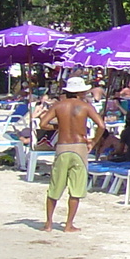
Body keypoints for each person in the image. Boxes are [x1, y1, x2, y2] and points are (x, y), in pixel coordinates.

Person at [39, 77, 105, 232]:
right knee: (76, 188)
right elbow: (101, 125)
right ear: (80, 91)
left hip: (62, 146)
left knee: (55, 186)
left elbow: (42, 123)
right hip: (79, 147)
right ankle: (68, 225)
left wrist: (58, 126)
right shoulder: (85, 106)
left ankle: (48, 223)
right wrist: (93, 141)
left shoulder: (58, 106)